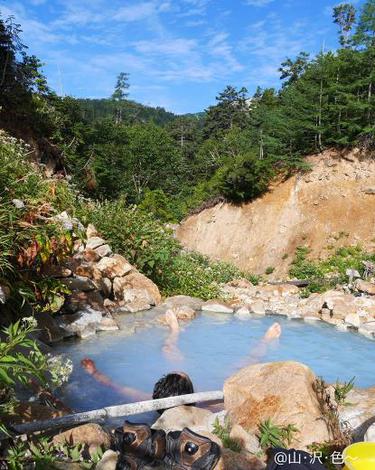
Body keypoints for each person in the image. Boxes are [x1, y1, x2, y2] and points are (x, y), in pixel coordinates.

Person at [81, 322, 282, 405]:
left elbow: (115, 385)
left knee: (168, 351)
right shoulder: (205, 402)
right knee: (240, 366)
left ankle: (175, 330)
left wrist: (93, 373)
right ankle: (266, 339)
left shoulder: (150, 399)